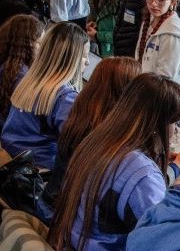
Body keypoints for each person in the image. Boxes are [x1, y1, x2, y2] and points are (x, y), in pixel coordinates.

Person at [48, 73, 180, 251]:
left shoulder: (96, 143)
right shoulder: (140, 174)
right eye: (173, 122)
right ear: (156, 123)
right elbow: (164, 245)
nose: (176, 131)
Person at [38, 57, 142, 221]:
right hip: (63, 219)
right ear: (126, 92)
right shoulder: (105, 134)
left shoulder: (81, 114)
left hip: (50, 203)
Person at [1, 22, 88, 169]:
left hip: (12, 161)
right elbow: (77, 145)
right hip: (41, 169)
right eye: (84, 56)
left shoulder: (29, 82)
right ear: (70, 58)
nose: (88, 62)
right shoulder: (64, 97)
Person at [0, 14, 44, 137]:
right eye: (39, 43)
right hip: (5, 138)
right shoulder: (19, 75)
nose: (42, 49)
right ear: (26, 45)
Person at [135, 0, 180, 82]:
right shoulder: (147, 21)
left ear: (172, 2)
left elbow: (166, 76)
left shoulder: (172, 33)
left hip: (161, 92)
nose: (154, 4)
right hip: (145, 86)